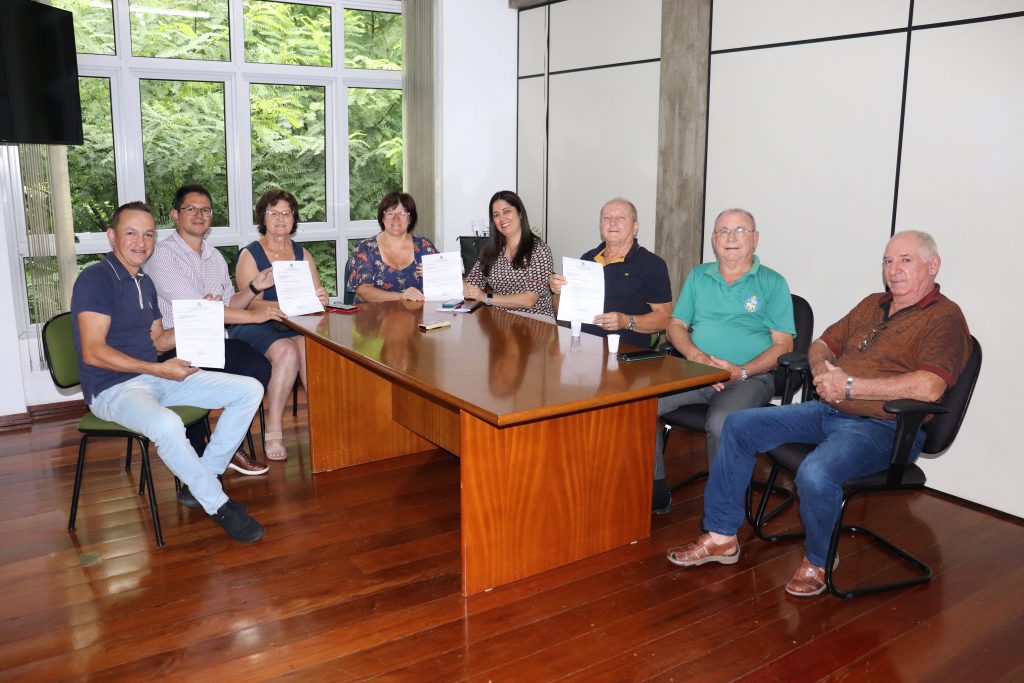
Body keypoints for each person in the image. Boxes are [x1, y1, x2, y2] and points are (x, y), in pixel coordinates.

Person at [666, 230, 971, 597]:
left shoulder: (945, 318)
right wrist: (824, 373)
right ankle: (720, 537)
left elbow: (929, 387)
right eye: (888, 261)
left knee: (815, 472)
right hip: (828, 410)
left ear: (933, 265)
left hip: (884, 428)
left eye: (906, 261)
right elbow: (822, 343)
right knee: (738, 425)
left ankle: (819, 560)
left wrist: (850, 386)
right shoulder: (873, 304)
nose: (894, 270)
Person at [71, 202, 266, 543]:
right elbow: (93, 351)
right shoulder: (95, 278)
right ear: (111, 235)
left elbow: (159, 340)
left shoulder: (144, 282)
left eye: (148, 234)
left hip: (154, 376)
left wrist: (203, 314)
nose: (141, 242)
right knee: (168, 424)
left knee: (249, 389)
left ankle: (203, 478)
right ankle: (219, 505)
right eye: (131, 233)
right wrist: (157, 368)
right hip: (112, 389)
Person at [651, 208, 795, 513]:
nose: (731, 237)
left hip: (748, 378)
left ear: (755, 239)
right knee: (640, 405)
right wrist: (696, 357)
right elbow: (676, 325)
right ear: (714, 240)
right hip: (696, 371)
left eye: (740, 230)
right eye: (723, 231)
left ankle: (721, 517)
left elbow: (783, 346)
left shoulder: (773, 283)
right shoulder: (698, 276)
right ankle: (654, 489)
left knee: (721, 423)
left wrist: (739, 371)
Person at [146, 184, 283, 476]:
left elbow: (230, 303)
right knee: (197, 375)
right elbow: (202, 312)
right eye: (191, 209)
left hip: (211, 341)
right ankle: (200, 453)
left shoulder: (214, 256)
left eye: (205, 210)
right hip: (175, 345)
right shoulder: (162, 256)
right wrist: (256, 316)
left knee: (258, 366)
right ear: (175, 215)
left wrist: (254, 287)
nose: (199, 215)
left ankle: (223, 446)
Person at [232, 188, 329, 461]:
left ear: (293, 218)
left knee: (309, 348)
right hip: (255, 323)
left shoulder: (302, 254)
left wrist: (319, 299)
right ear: (262, 217)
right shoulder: (250, 254)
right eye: (273, 213)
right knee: (287, 352)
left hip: (291, 323)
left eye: (286, 213)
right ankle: (274, 430)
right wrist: (285, 307)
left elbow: (315, 298)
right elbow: (250, 303)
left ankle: (322, 422)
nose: (280, 218)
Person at [549, 198, 672, 349]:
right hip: (577, 345)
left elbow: (665, 318)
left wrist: (626, 321)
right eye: (607, 218)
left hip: (623, 351)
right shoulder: (587, 259)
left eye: (621, 218)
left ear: (635, 227)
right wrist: (558, 292)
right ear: (601, 226)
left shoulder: (652, 264)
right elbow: (561, 311)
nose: (613, 222)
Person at [464, 190, 554, 317]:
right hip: (499, 320)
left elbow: (529, 300)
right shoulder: (490, 252)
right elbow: (471, 286)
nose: (502, 219)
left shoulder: (539, 250)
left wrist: (486, 297)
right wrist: (448, 274)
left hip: (535, 321)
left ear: (520, 213)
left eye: (507, 211)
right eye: (496, 215)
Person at [346, 192, 438, 302]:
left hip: (418, 312)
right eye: (390, 213)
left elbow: (445, 277)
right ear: (382, 217)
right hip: (373, 312)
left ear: (410, 219)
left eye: (402, 214)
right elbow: (363, 292)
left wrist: (436, 276)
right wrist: (401, 296)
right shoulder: (366, 248)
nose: (396, 219)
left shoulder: (424, 246)